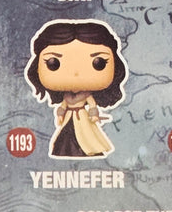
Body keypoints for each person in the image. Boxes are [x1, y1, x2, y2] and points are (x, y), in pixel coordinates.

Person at [25, 20, 127, 157]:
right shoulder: (66, 96)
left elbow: (92, 106)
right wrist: (60, 115)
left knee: (86, 136)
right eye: (53, 63)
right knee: (65, 137)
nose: (76, 73)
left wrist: (94, 116)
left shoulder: (86, 95)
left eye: (99, 63)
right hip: (69, 117)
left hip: (82, 118)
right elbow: (63, 106)